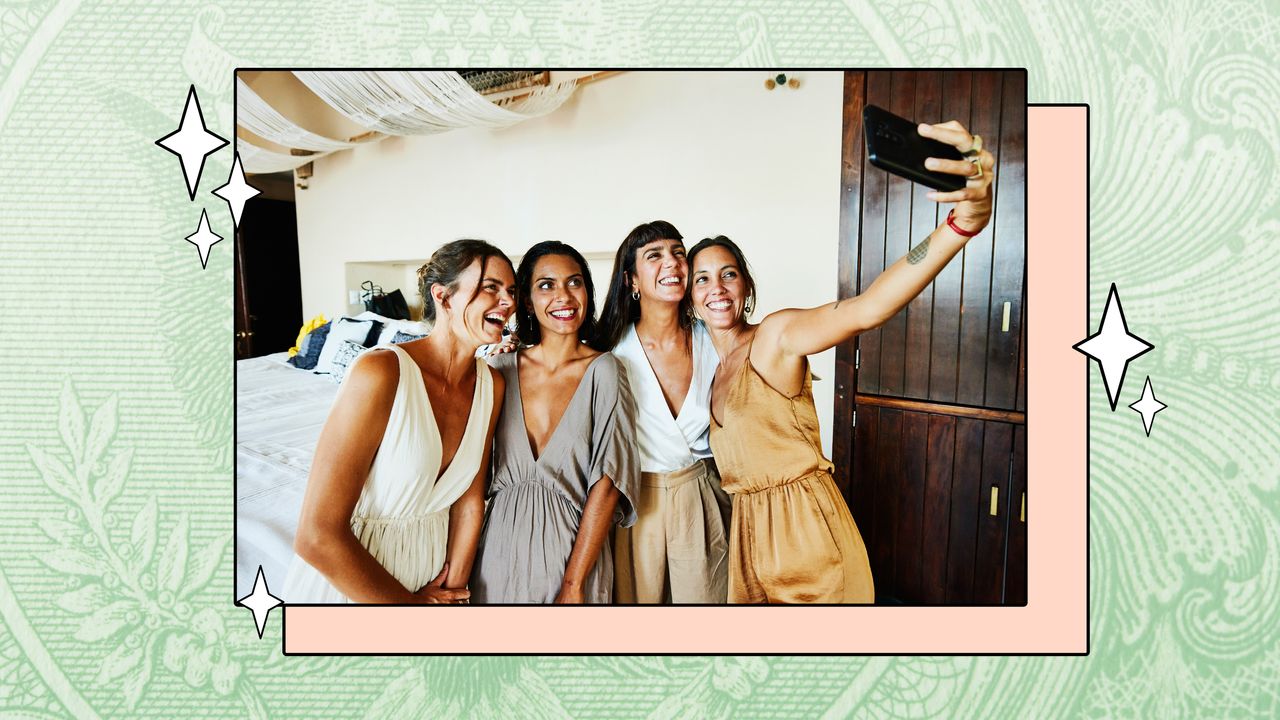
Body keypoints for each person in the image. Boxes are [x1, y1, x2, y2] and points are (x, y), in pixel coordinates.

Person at [687, 120, 997, 603]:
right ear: (690, 299)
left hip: (809, 542)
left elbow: (868, 307)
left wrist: (961, 225)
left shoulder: (776, 336)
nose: (717, 288)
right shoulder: (710, 370)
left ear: (746, 287)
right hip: (750, 546)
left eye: (728, 274)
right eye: (702, 279)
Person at [283, 239, 516, 603]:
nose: (509, 301)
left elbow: (469, 502)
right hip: (356, 590)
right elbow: (316, 536)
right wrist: (411, 611)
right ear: (443, 296)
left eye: (511, 291)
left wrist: (453, 594)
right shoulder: (380, 372)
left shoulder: (492, 385)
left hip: (433, 586)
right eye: (491, 287)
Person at [471, 241, 639, 603]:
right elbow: (470, 480)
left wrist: (574, 583)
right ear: (527, 302)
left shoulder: (606, 371)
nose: (563, 296)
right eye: (546, 285)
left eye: (574, 282)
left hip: (572, 556)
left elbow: (608, 485)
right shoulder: (498, 370)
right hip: (496, 555)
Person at [594, 221, 731, 604]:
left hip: (704, 495)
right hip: (638, 503)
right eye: (654, 255)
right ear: (631, 279)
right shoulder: (607, 351)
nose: (671, 263)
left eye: (678, 253)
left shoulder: (714, 339)